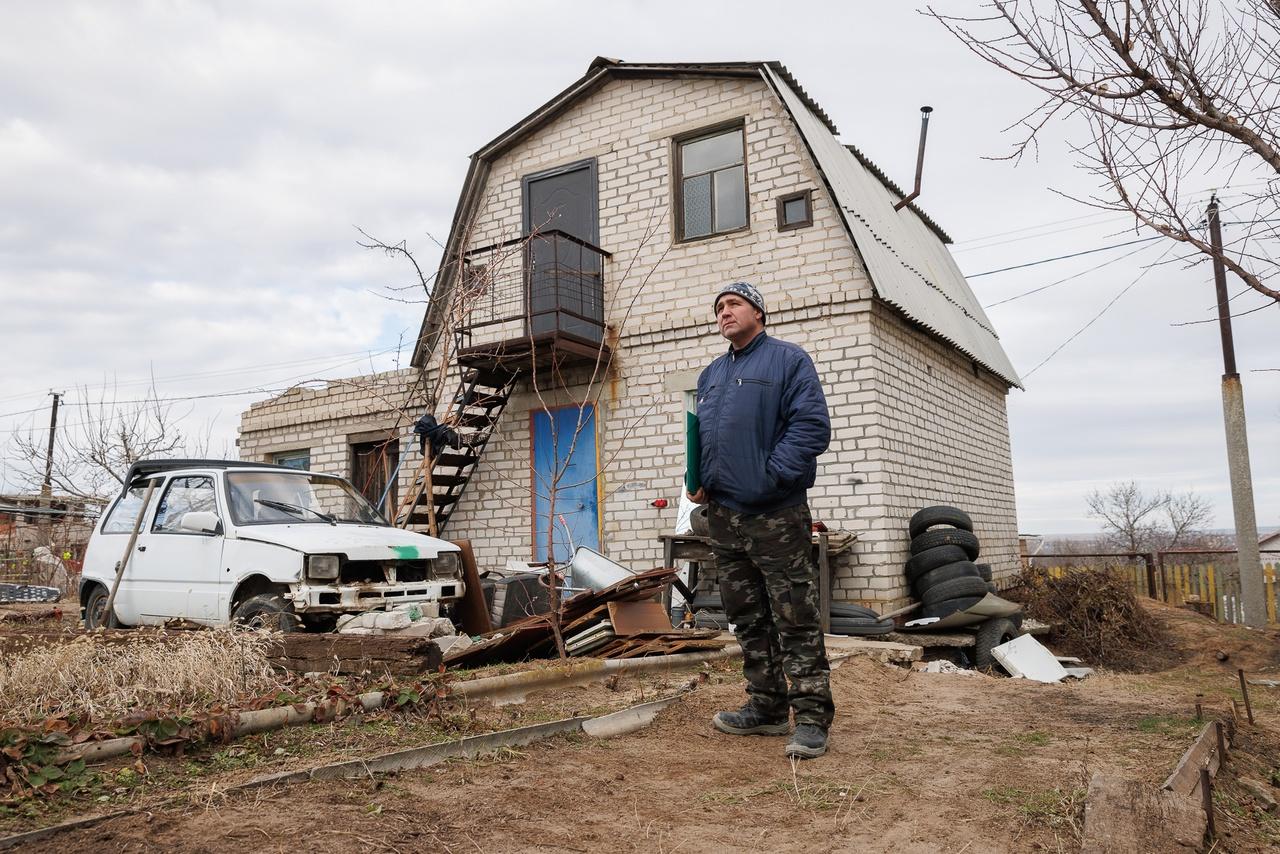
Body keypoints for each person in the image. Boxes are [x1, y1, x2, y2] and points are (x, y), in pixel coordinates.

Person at [687, 281, 834, 760]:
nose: (724, 313)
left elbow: (811, 426)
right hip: (724, 516)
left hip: (775, 513)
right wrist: (699, 478)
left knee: (794, 614)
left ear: (759, 312)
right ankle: (766, 708)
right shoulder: (712, 375)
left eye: (733, 304)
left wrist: (773, 477)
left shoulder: (788, 361)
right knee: (747, 617)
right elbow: (706, 436)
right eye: (719, 308)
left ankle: (811, 717)